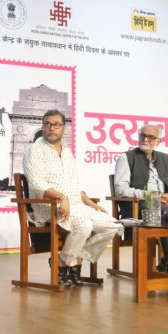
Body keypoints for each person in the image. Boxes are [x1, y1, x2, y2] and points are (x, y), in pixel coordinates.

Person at [23, 109, 122, 287]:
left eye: (56, 125)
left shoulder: (67, 152)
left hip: (76, 206)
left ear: (64, 128)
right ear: (43, 127)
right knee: (84, 225)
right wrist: (62, 198)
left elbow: (74, 188)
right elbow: (37, 184)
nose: (51, 128)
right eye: (47, 124)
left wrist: (92, 204)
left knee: (113, 225)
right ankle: (67, 265)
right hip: (50, 207)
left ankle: (68, 259)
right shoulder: (35, 150)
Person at [114, 124, 168, 275]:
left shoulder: (164, 159)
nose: (145, 139)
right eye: (142, 136)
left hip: (165, 204)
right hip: (140, 206)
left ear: (159, 141)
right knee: (166, 213)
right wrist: (151, 195)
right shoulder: (126, 158)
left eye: (150, 137)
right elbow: (120, 189)